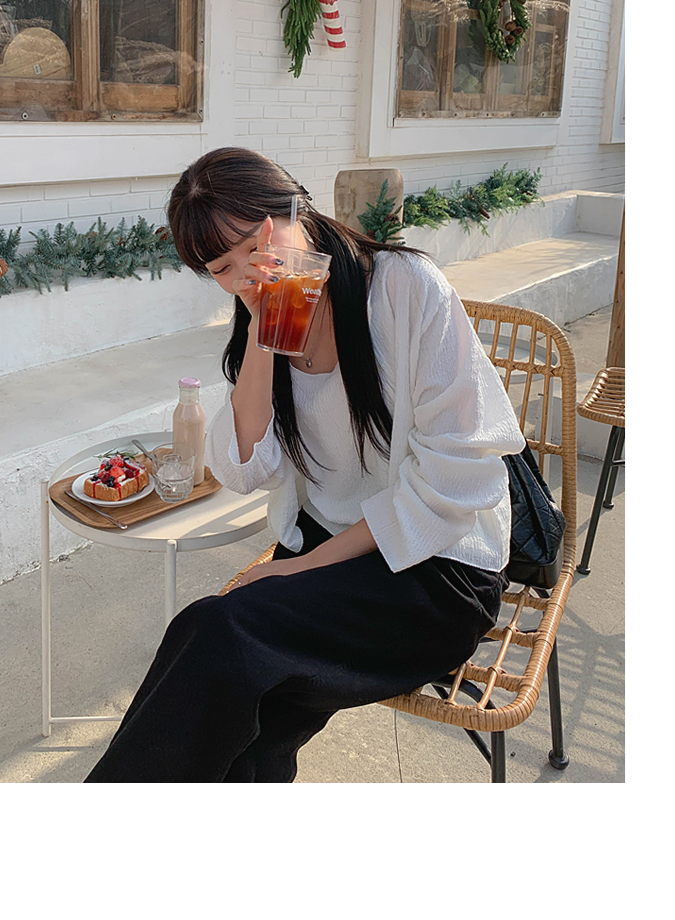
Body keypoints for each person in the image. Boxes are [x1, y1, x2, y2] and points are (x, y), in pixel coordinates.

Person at [85, 147, 525, 782]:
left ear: (299, 211)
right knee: (238, 713)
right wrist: (264, 332)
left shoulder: (403, 288)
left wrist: (296, 569)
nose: (248, 272)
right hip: (332, 556)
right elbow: (243, 469)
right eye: (223, 268)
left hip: (437, 571)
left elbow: (457, 479)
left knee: (219, 634)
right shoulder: (261, 322)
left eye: (255, 245)